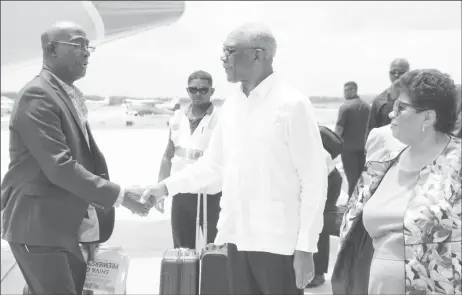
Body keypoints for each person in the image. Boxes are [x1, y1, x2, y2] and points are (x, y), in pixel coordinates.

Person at [143, 22, 328, 294]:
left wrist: (306, 247)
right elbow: (214, 167)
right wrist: (165, 187)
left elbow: (314, 179)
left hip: (278, 244)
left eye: (229, 51)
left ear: (258, 54)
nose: (222, 58)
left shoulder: (292, 105)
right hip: (236, 239)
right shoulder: (231, 106)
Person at [0, 22, 148, 295]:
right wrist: (121, 196)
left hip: (62, 228)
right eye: (78, 45)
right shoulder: (38, 95)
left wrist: (89, 222)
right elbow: (60, 167)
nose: (87, 52)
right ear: (51, 50)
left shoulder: (64, 95)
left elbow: (82, 163)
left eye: (87, 46)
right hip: (39, 227)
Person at [332, 69, 461, 295]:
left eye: (400, 108)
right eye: (393, 106)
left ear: (428, 117)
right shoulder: (383, 162)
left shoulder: (456, 163)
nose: (392, 114)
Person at [157, 70, 222, 249]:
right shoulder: (177, 119)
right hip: (181, 193)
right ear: (188, 91)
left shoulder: (221, 119)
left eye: (203, 90)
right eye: (193, 90)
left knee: (215, 252)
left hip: (212, 196)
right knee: (182, 251)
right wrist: (161, 189)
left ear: (212, 91)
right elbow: (167, 156)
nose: (198, 94)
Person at [306, 126, 343, 288]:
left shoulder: (303, 141)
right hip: (327, 177)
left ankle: (318, 273)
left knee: (318, 224)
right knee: (316, 223)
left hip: (327, 180)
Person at [335, 81, 370, 197]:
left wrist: (333, 147)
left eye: (347, 90)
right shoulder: (367, 107)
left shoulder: (345, 107)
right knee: (363, 181)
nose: (344, 93)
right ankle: (361, 206)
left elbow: (338, 130)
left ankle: (351, 209)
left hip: (348, 149)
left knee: (352, 181)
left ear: (354, 90)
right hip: (364, 148)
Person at [367, 58, 410, 135]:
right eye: (393, 72)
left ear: (409, 73)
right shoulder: (379, 100)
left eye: (401, 72)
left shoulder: (418, 98)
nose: (396, 75)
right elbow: (371, 130)